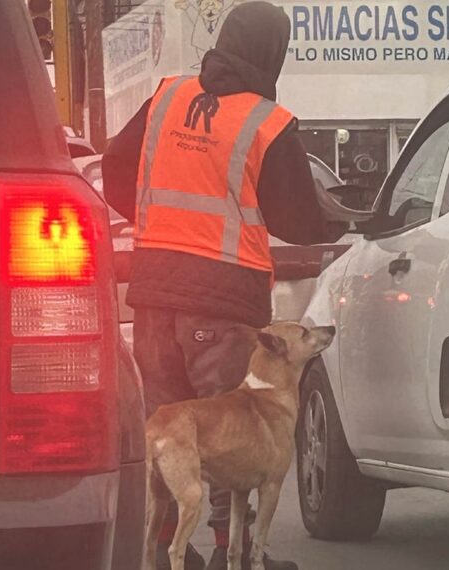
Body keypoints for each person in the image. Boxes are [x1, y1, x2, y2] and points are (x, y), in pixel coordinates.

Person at [103, 3, 343, 569]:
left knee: (166, 428)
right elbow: (296, 222)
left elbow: (115, 166)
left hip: (155, 294)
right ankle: (221, 553)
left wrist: (154, 228)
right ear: (271, 54)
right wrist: (334, 216)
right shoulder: (268, 122)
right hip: (223, 300)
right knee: (227, 428)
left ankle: (161, 552)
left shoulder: (165, 97)